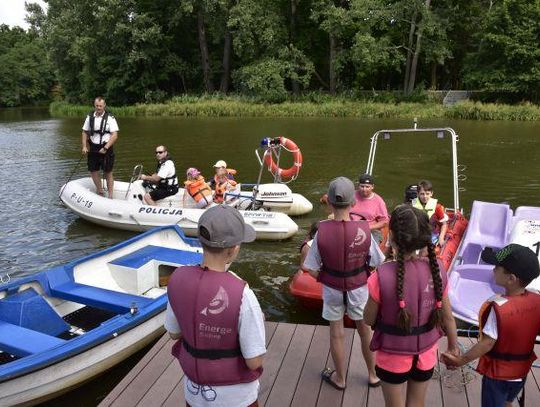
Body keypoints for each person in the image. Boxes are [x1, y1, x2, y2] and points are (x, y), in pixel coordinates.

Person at [164, 205, 266, 407]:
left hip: (194, 394)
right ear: (234, 248)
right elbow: (254, 361)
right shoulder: (243, 294)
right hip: (236, 399)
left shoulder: (177, 279)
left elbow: (174, 334)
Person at [363, 205, 459, 407]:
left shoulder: (380, 276)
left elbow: (368, 319)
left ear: (393, 238)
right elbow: (448, 317)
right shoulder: (438, 270)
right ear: (426, 237)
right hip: (425, 355)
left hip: (392, 357)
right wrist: (452, 346)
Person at [303, 177, 385, 390]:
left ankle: (340, 378)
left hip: (332, 289)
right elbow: (378, 262)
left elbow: (309, 267)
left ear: (329, 202)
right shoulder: (364, 230)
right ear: (354, 203)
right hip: (359, 287)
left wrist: (324, 277)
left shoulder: (321, 231)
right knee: (365, 331)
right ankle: (373, 375)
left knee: (336, 332)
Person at [441, 244, 540, 407]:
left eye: (497, 267)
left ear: (511, 279)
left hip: (498, 375)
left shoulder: (499, 309)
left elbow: (487, 343)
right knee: (508, 401)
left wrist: (460, 361)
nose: (493, 269)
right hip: (521, 372)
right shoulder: (537, 301)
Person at [81, 96, 119, 198]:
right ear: (94, 105)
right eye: (97, 106)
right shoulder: (90, 117)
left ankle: (110, 195)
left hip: (106, 147)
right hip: (93, 147)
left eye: (100, 106)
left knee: (108, 172)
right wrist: (84, 146)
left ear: (104, 106)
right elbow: (84, 132)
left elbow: (114, 135)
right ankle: (100, 191)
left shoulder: (110, 118)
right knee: (93, 170)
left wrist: (106, 147)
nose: (98, 108)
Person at [350, 173, 389, 243]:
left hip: (370, 230)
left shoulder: (379, 201)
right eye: (362, 186)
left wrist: (368, 228)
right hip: (350, 226)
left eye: (367, 187)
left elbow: (384, 222)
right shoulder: (351, 195)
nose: (364, 189)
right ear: (358, 186)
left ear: (372, 187)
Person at [411, 180, 448, 247]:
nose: (425, 196)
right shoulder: (412, 205)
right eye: (422, 194)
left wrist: (441, 238)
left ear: (431, 193)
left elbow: (444, 224)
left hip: (432, 235)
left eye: (427, 193)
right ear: (417, 194)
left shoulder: (437, 207)